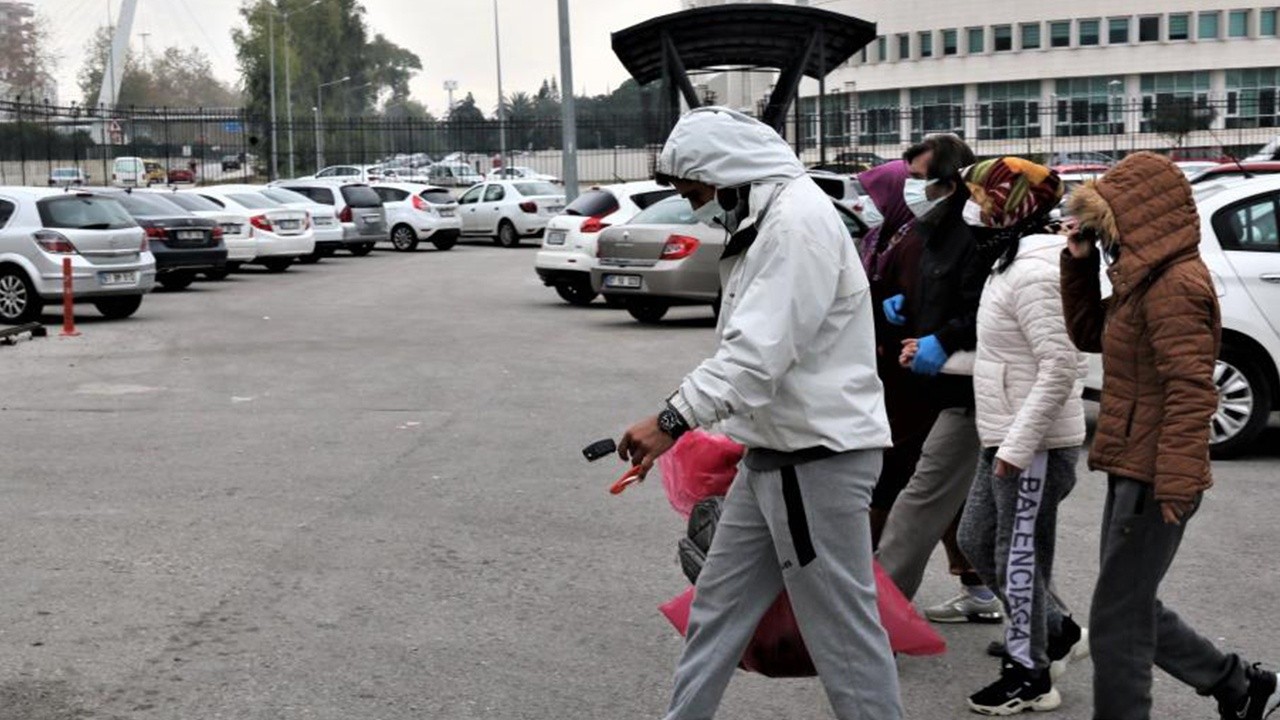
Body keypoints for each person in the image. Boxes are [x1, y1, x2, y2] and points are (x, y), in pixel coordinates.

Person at [616, 107, 902, 720]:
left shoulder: (795, 227)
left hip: (815, 462)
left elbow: (755, 355)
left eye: (697, 193)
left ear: (728, 172)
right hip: (775, 456)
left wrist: (671, 422)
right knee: (717, 611)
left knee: (843, 637)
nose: (698, 207)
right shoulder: (771, 219)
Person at [1060, 151, 1279, 720]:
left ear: (1137, 217)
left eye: (1106, 222)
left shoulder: (1175, 285)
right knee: (1127, 606)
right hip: (1132, 461)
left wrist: (1176, 480)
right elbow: (1090, 333)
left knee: (1115, 624)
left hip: (1157, 472)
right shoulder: (1142, 279)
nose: (1102, 235)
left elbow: (1191, 390)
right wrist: (1079, 263)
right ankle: (1237, 683)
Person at [952, 157, 1089, 714]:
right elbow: (1010, 357)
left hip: (1030, 445)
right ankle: (1055, 632)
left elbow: (1060, 365)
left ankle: (1029, 675)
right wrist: (945, 362)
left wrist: (1016, 448)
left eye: (983, 197)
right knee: (978, 540)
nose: (972, 208)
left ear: (1013, 206)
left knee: (1016, 557)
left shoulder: (1034, 269)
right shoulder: (1010, 260)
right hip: (1007, 435)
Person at [874, 133, 1003, 623]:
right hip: (945, 389)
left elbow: (984, 310)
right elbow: (943, 299)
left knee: (918, 503)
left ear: (952, 181)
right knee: (979, 525)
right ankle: (1044, 624)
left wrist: (943, 340)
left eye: (921, 179)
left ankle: (875, 619)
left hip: (970, 392)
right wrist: (907, 316)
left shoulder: (973, 234)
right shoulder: (933, 229)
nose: (913, 189)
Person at [856, 159, 937, 545]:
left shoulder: (918, 239)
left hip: (911, 371)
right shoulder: (877, 238)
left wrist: (905, 309)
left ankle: (871, 567)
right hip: (880, 367)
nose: (863, 204)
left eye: (872, 195)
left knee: (904, 470)